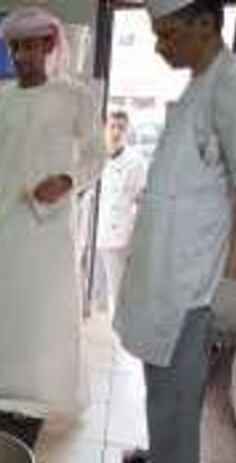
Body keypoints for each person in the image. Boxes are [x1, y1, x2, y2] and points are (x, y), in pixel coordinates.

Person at [97, 0, 236, 463]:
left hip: (196, 277)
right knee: (168, 379)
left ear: (204, 24)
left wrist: (232, 285)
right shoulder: (203, 81)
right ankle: (173, 460)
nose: (159, 45)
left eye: (167, 33)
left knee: (177, 382)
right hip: (171, 268)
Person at [0, 5, 105, 445]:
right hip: (1, 228)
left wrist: (67, 180)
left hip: (50, 233)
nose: (21, 56)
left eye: (30, 46)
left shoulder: (75, 97)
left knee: (43, 316)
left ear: (49, 45)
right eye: (14, 46)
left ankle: (41, 394)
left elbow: (96, 155)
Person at [96, 110, 147, 318]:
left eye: (121, 128)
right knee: (94, 291)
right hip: (93, 233)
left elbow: (141, 199)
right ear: (104, 128)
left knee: (116, 290)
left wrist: (136, 234)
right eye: (112, 126)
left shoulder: (135, 162)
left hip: (118, 235)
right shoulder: (96, 157)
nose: (116, 132)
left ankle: (116, 334)